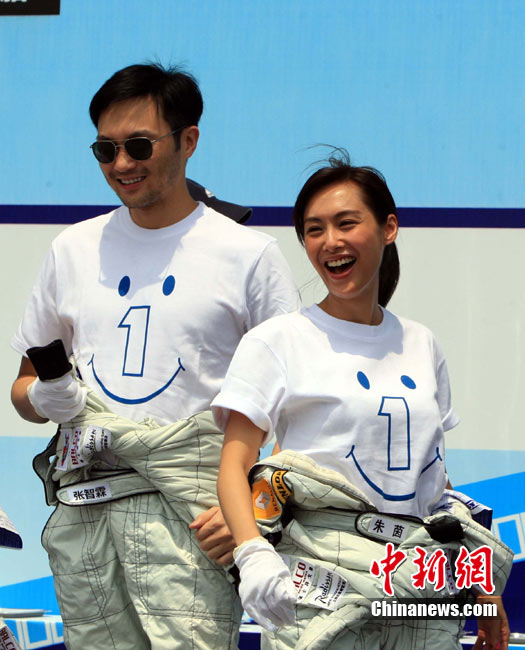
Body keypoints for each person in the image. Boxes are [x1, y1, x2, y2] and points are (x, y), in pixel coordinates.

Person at [10, 62, 299, 649]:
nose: (121, 164)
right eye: (105, 150)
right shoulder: (72, 248)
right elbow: (23, 390)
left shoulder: (248, 255)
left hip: (190, 516)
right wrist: (44, 395)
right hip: (86, 509)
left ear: (188, 140)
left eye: (139, 146)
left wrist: (255, 505)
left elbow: (299, 402)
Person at [213, 153, 511, 649]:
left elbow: (434, 479)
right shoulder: (278, 340)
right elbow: (234, 464)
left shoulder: (422, 343)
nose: (330, 241)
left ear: (388, 228)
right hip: (321, 581)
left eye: (346, 223)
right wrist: (252, 554)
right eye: (314, 230)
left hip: (418, 584)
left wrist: (481, 583)